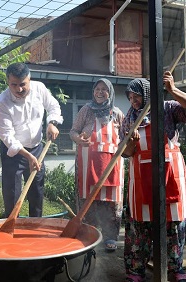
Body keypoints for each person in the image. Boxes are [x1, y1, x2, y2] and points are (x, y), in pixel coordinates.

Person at [121, 72, 186, 282]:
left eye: (136, 96)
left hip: (169, 175)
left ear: (146, 93)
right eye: (130, 97)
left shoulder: (168, 108)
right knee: (140, 225)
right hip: (142, 178)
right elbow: (126, 153)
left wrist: (173, 90)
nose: (133, 100)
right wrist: (131, 141)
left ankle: (176, 269)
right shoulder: (129, 118)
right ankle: (136, 271)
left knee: (173, 224)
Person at [0, 62, 63, 218]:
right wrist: (28, 156)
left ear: (29, 79)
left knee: (37, 191)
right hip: (14, 152)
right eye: (14, 85)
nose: (19, 89)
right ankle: (11, 228)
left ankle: (34, 228)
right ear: (7, 82)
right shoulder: (1, 103)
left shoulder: (39, 89)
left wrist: (52, 123)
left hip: (37, 148)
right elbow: (8, 137)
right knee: (12, 193)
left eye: (23, 84)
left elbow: (53, 106)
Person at [69, 78, 124, 252]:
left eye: (104, 89)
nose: (100, 92)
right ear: (93, 92)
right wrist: (78, 138)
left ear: (110, 92)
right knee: (88, 200)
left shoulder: (117, 113)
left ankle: (110, 236)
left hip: (112, 163)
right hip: (87, 163)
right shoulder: (86, 110)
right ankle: (88, 235)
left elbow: (126, 136)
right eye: (97, 89)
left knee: (111, 202)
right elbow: (73, 131)